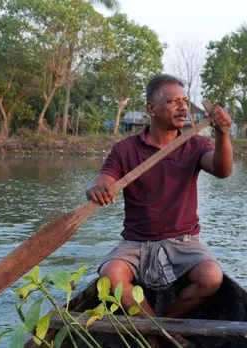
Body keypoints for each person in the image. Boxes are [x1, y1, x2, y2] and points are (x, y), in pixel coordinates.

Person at [86, 74, 233, 320]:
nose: (183, 107)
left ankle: (159, 329)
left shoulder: (196, 145)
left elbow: (222, 170)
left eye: (184, 101)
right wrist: (97, 188)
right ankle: (158, 336)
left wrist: (223, 134)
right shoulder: (125, 149)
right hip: (136, 242)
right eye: (174, 102)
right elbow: (104, 179)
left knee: (211, 277)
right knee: (111, 276)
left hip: (184, 242)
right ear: (151, 108)